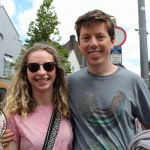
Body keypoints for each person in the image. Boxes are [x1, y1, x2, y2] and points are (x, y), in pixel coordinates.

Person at [1, 9, 150, 149]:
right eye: (86, 37)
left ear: (112, 41)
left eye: (100, 36)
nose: (93, 43)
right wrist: (6, 132)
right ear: (79, 44)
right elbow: (39, 110)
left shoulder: (134, 82)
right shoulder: (69, 84)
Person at [0, 43, 73, 150]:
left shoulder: (67, 109)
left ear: (56, 71)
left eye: (48, 66)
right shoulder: (14, 116)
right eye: (34, 67)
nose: (42, 72)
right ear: (26, 73)